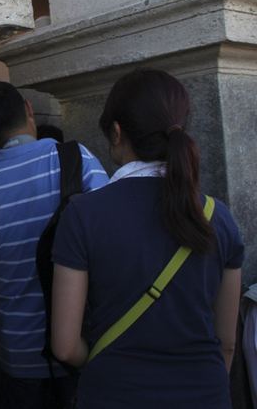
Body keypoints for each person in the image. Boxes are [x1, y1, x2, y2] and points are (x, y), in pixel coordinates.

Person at [51, 68, 244, 409]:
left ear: (116, 132)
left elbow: (65, 346)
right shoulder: (219, 217)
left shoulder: (83, 214)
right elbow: (226, 342)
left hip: (113, 394)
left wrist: (104, 360)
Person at [0, 81, 108, 408]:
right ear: (28, 109)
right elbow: (112, 238)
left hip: (19, 352)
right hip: (85, 341)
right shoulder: (76, 157)